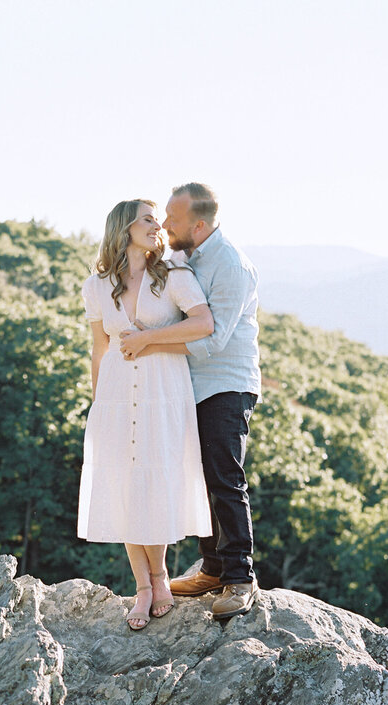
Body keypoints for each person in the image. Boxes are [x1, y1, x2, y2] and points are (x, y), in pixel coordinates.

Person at [119, 183, 260, 619]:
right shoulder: (184, 257)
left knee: (223, 476)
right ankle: (213, 568)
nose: (164, 225)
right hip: (187, 386)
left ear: (198, 225)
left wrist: (147, 342)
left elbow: (212, 339)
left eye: (173, 220)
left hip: (226, 383)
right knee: (195, 477)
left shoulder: (230, 265)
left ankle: (239, 578)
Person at [78, 198, 214, 630]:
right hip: (117, 394)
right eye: (149, 218)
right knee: (125, 483)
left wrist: (150, 339)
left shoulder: (173, 275)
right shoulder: (98, 285)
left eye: (158, 219)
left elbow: (203, 323)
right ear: (125, 227)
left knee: (155, 482)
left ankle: (159, 577)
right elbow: (99, 349)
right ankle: (144, 586)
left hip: (163, 391)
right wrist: (99, 405)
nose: (159, 226)